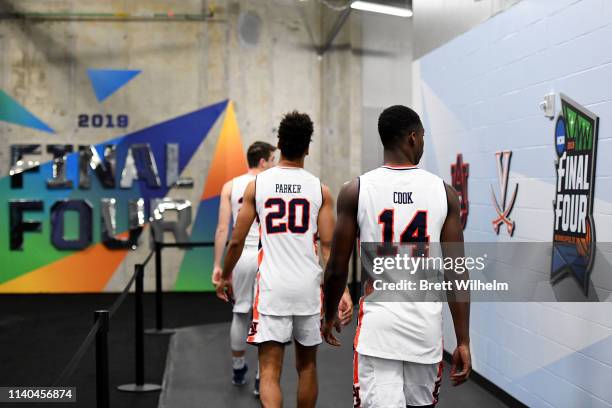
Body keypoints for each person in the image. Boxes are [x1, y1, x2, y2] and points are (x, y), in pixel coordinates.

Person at [322, 105, 472, 408]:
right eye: (424, 137)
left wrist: (328, 314)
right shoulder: (444, 192)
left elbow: (338, 267)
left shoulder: (356, 190)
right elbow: (457, 271)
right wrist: (463, 340)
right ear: (413, 137)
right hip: (425, 334)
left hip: (379, 332)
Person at [216, 111, 353, 408]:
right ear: (308, 147)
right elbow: (329, 250)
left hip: (272, 289)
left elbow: (237, 241)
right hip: (308, 289)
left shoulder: (258, 186)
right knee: (307, 367)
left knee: (268, 371)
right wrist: (342, 290)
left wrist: (225, 274)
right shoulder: (320, 190)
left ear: (279, 143)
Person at [212, 141, 276, 391]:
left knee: (240, 312)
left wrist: (218, 264)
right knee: (266, 317)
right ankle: (263, 377)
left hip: (240, 257)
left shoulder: (230, 186)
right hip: (267, 256)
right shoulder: (272, 183)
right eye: (272, 159)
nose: (274, 163)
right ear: (263, 161)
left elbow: (222, 228)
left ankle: (239, 369)